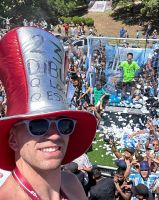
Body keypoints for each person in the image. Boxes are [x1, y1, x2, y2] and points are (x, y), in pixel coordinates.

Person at [0, 27, 97, 199]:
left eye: (64, 124)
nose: (54, 134)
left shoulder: (72, 185)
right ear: (13, 139)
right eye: (38, 125)